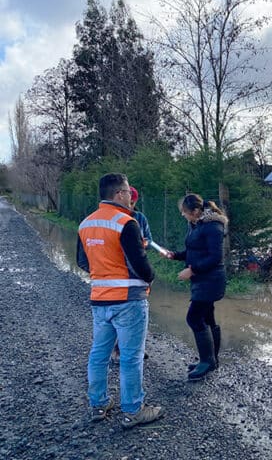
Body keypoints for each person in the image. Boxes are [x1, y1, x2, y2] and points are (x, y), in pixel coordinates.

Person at [77, 173, 164, 428]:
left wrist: (104, 273)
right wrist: (150, 277)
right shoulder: (125, 223)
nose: (130, 197)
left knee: (99, 353)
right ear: (118, 194)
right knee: (131, 357)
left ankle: (99, 404)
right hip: (129, 301)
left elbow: (83, 262)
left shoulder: (86, 224)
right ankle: (133, 410)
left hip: (99, 300)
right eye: (127, 192)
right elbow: (140, 264)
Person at [164, 193, 228, 381]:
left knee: (193, 318)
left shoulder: (213, 226)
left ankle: (206, 362)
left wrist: (192, 271)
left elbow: (215, 257)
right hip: (202, 279)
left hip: (211, 280)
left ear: (196, 211)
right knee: (208, 318)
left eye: (185, 212)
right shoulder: (197, 224)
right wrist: (175, 255)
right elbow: (194, 251)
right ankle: (211, 360)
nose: (183, 215)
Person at [111, 185, 153, 363]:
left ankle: (136, 348)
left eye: (134, 202)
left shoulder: (140, 218)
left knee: (138, 314)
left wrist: (142, 243)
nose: (131, 204)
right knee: (120, 314)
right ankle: (118, 350)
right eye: (130, 200)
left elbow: (149, 240)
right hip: (118, 273)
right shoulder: (114, 219)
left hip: (137, 272)